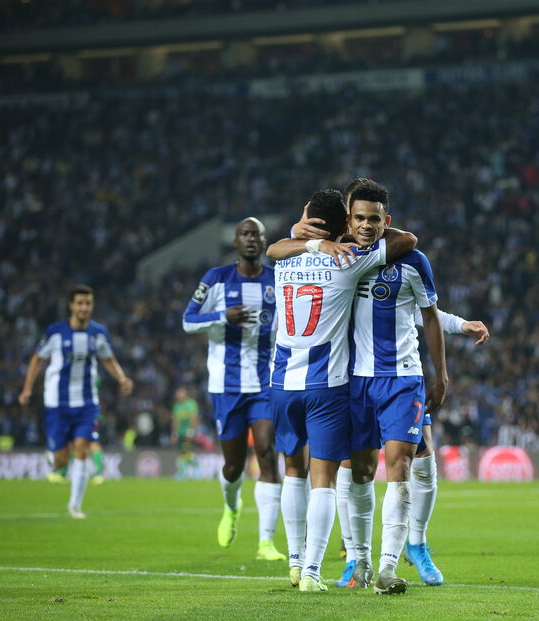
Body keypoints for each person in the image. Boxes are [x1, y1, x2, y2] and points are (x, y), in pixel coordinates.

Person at [294, 179, 490, 589]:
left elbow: (428, 314)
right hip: (351, 381)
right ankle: (358, 560)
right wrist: (301, 234)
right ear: (348, 220)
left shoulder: (411, 259)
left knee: (406, 463)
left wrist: (443, 372)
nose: (366, 225)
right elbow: (283, 251)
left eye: (374, 218)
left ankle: (393, 562)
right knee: (357, 471)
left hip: (402, 378)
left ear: (387, 220)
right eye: (359, 218)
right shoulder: (337, 256)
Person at [266, 188, 416, 593]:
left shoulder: (285, 258)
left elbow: (274, 248)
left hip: (281, 382)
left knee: (292, 473)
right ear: (346, 223)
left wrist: (305, 237)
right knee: (324, 481)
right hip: (326, 386)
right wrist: (348, 238)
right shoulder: (348, 261)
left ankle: (295, 563)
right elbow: (407, 241)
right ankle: (312, 573)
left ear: (306, 218)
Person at [182, 217, 285, 561]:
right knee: (233, 467)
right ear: (237, 242)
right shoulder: (215, 279)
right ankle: (232, 507)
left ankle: (266, 542)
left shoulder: (277, 280)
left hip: (266, 385)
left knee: (268, 454)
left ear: (264, 240)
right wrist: (222, 317)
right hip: (226, 386)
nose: (251, 239)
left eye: (257, 234)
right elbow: (187, 320)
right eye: (245, 233)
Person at [18, 284, 133, 518]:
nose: (84, 308)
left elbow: (108, 358)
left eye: (88, 303)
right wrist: (27, 388)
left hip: (87, 402)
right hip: (57, 403)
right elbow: (37, 359)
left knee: (81, 449)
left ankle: (75, 505)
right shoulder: (55, 332)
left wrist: (122, 378)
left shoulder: (98, 333)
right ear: (71, 305)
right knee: (60, 461)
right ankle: (54, 455)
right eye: (79, 303)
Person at [171, 386, 200, 480]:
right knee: (184, 452)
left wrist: (191, 431)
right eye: (177, 393)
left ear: (185, 394)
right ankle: (195, 467)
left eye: (180, 393)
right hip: (180, 433)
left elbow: (194, 418)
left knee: (184, 452)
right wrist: (174, 433)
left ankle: (184, 473)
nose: (177, 395)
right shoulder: (176, 406)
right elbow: (175, 420)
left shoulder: (191, 404)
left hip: (188, 432)